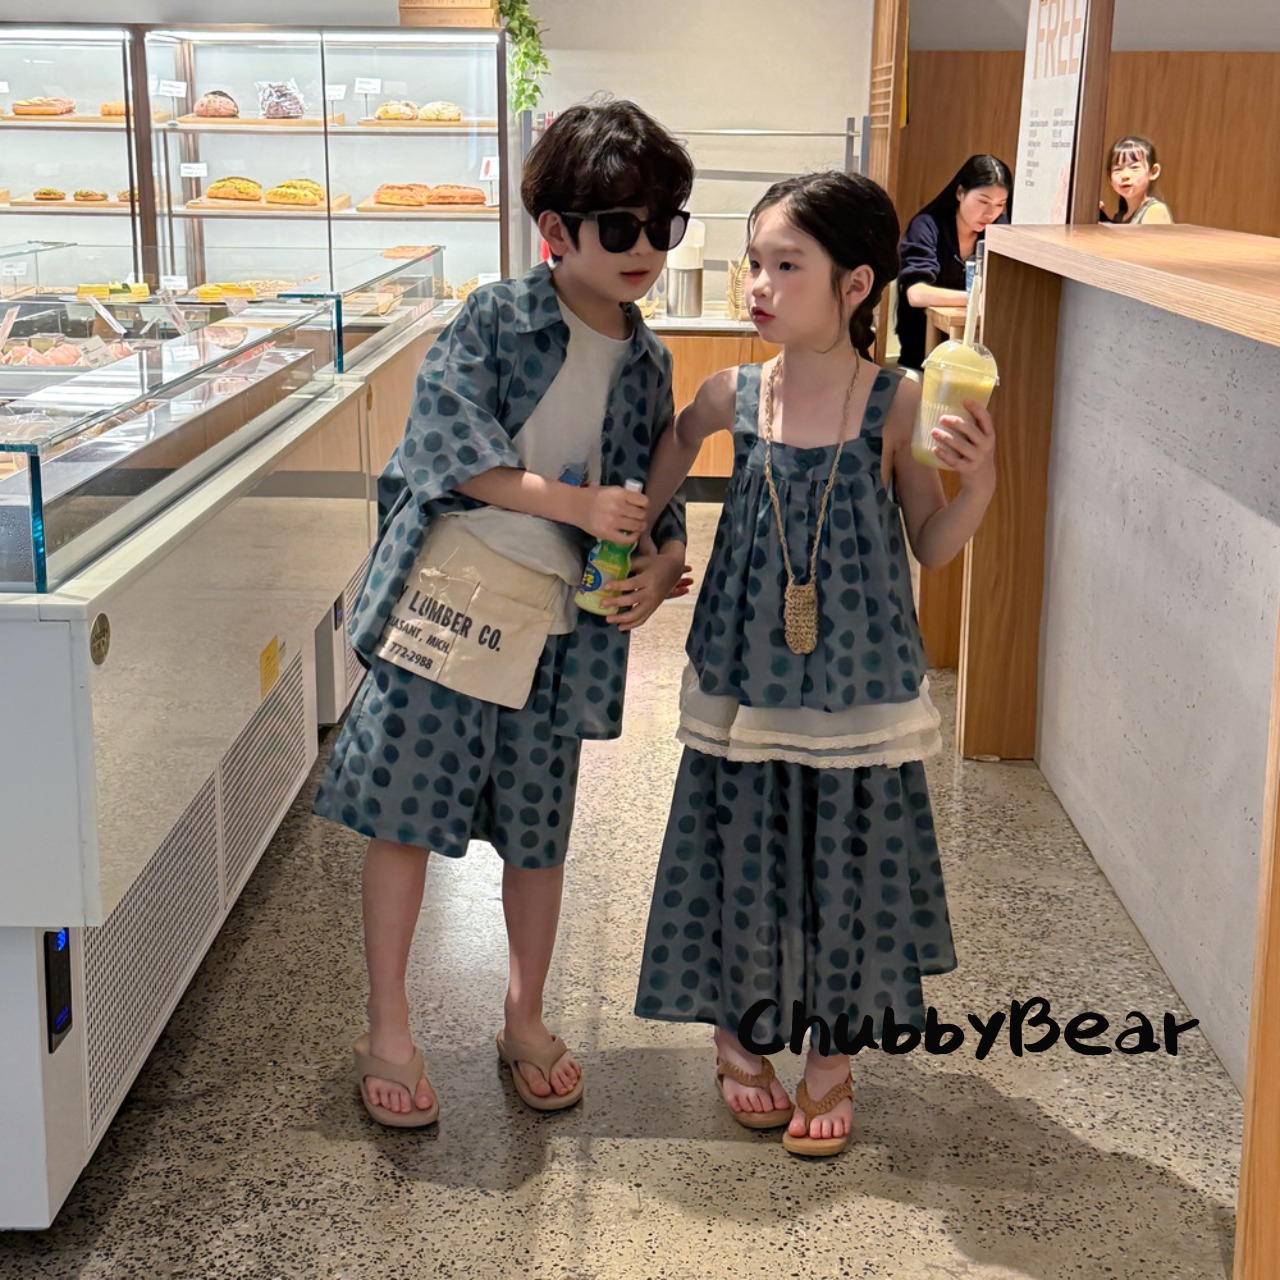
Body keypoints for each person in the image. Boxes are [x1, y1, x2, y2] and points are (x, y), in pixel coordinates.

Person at [313, 98, 694, 1127]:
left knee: (538, 835)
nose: (646, 248)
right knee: (401, 821)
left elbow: (654, 504)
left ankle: (523, 1017)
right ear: (555, 229)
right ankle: (388, 1027)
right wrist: (574, 505)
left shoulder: (650, 361)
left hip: (560, 631)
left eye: (664, 224)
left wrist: (660, 567)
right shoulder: (494, 317)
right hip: (449, 605)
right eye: (620, 225)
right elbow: (443, 451)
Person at [632, 170, 997, 1157]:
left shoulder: (896, 402)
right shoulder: (733, 393)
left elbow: (930, 543)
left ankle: (832, 1053)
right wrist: (637, 540)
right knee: (742, 846)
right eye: (754, 262)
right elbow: (666, 456)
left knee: (848, 856)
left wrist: (981, 483)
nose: (758, 284)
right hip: (746, 681)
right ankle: (739, 1034)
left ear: (854, 284)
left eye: (785, 265)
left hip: (856, 685)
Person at [894, 154, 1012, 371]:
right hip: (924, 350)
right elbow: (916, 293)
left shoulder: (999, 229)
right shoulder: (927, 226)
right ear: (960, 193)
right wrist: (975, 300)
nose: (990, 213)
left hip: (978, 353)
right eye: (983, 201)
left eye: (1000, 205)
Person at [1100, 135, 1173, 225]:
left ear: (1153, 172)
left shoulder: (1155, 211)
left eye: (1134, 168)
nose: (1125, 176)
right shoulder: (1120, 216)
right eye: (1118, 170)